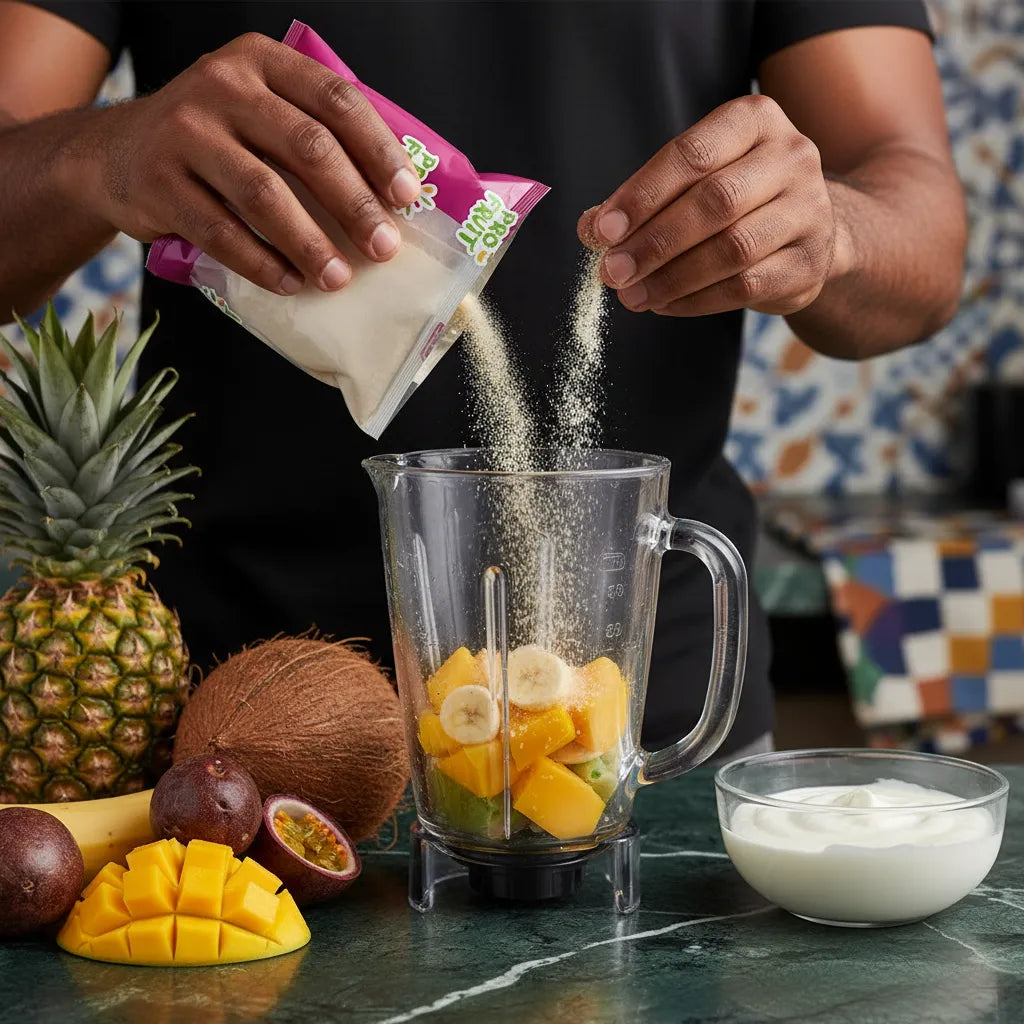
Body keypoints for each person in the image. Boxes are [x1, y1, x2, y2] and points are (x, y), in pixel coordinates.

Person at [0, 1, 965, 759]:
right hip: (227, 713)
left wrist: (831, 228)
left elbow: (921, 226)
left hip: (641, 725)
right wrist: (100, 154)